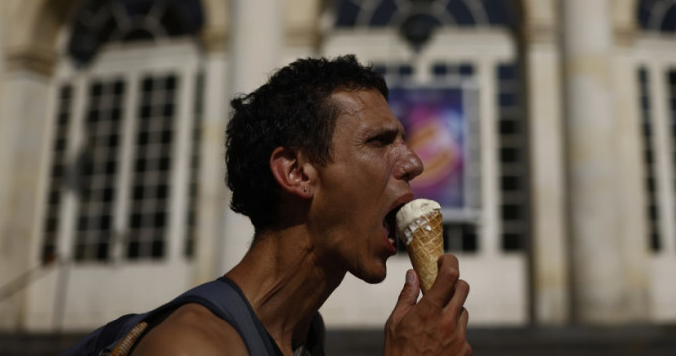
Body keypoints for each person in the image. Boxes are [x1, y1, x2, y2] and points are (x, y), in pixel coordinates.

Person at [130, 55, 472, 356]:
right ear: (297, 172)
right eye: (379, 141)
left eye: (403, 140)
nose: (414, 163)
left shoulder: (305, 335)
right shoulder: (192, 346)